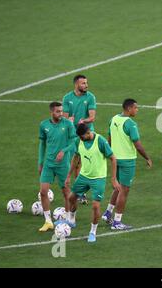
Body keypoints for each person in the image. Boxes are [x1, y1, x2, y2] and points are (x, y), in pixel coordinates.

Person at [101, 99, 153, 230]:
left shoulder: (113, 119)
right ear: (129, 109)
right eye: (136, 108)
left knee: (117, 188)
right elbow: (138, 144)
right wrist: (147, 157)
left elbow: (109, 139)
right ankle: (117, 222)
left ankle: (108, 213)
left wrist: (109, 155)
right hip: (127, 161)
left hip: (115, 159)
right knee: (124, 190)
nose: (137, 110)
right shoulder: (130, 124)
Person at [65, 124, 119, 243]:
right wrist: (69, 175)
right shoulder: (78, 141)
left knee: (95, 206)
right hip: (83, 176)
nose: (80, 138)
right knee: (71, 198)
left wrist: (113, 179)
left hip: (98, 179)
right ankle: (72, 220)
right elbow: (76, 157)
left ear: (88, 132)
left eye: (82, 136)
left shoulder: (100, 141)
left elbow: (113, 158)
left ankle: (93, 232)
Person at [38, 102, 76, 232]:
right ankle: (48, 221)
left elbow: (74, 143)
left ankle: (68, 218)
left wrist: (64, 151)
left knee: (66, 193)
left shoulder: (68, 124)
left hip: (63, 165)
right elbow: (42, 144)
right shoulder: (44, 125)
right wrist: (40, 162)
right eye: (58, 112)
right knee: (43, 191)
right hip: (48, 164)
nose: (61, 114)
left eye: (61, 111)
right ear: (52, 112)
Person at [63, 74, 97, 205]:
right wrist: (69, 121)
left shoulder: (90, 97)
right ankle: (79, 192)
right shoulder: (67, 98)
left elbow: (92, 117)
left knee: (83, 162)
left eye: (86, 83)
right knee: (76, 161)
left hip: (87, 134)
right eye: (83, 83)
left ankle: (80, 192)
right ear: (76, 84)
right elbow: (65, 118)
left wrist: (84, 120)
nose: (86, 85)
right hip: (74, 134)